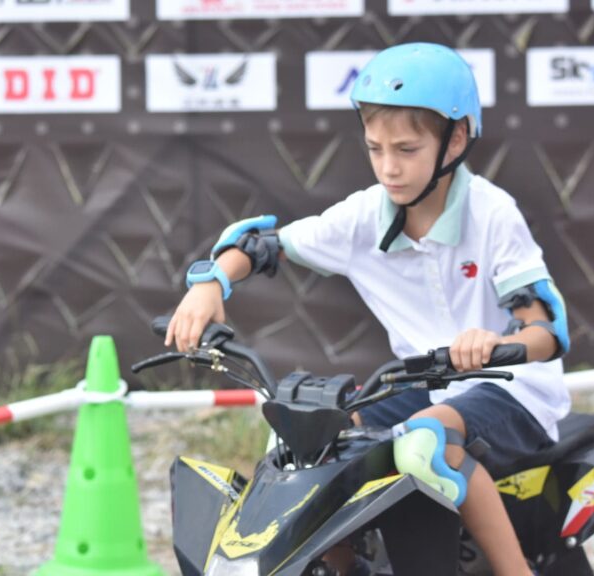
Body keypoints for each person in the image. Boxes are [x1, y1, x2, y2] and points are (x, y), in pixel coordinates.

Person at [164, 42, 571, 576]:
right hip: (420, 383)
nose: (389, 168)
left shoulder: (492, 214)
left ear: (457, 139)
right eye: (375, 149)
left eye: (406, 149)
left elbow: (547, 331)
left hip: (513, 388)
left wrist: (497, 343)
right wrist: (211, 283)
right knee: (305, 440)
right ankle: (343, 569)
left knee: (427, 440)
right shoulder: (363, 217)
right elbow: (263, 244)